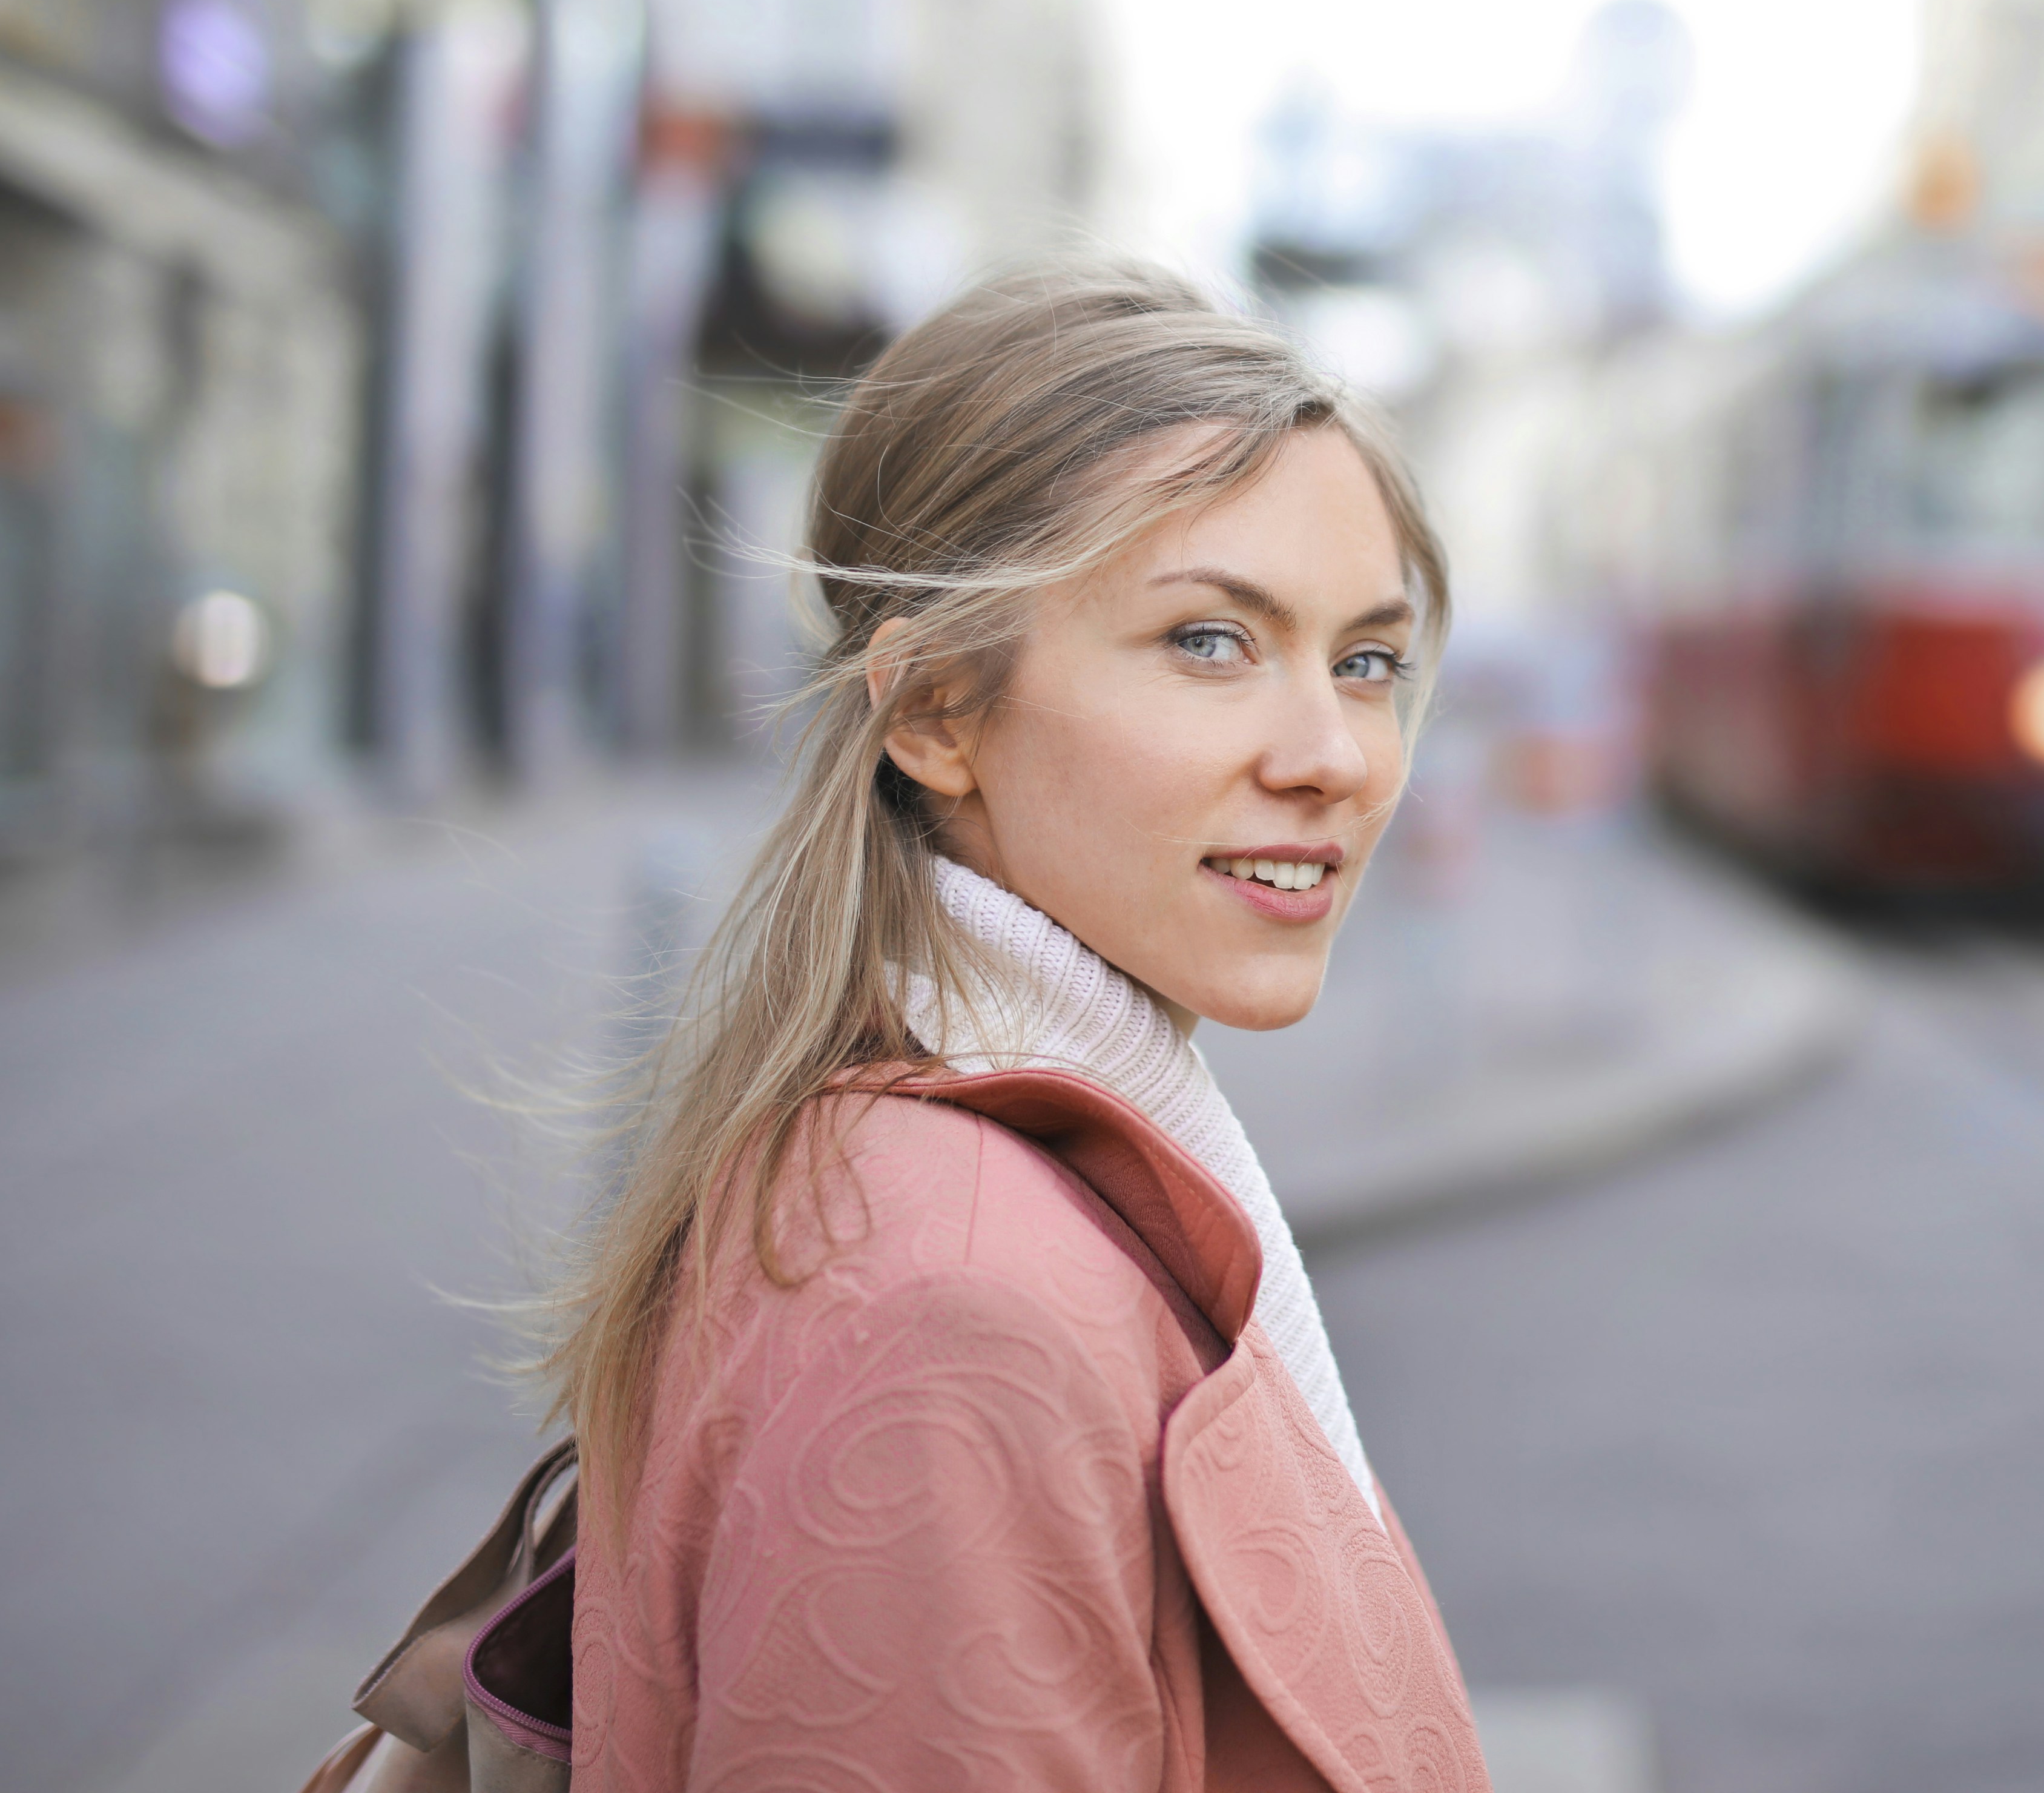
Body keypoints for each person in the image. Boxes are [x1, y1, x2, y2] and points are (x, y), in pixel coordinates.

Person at [547, 261, 1489, 1792]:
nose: (1336, 756)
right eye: (1209, 640)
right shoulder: (954, 1303)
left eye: (1366, 659)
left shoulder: (989, 1176)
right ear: (932, 710)